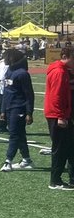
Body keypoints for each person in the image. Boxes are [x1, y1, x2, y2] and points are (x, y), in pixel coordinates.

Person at [0, 48, 34, 173]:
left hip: (18, 108)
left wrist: (29, 112)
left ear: (12, 58)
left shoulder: (22, 74)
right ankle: (26, 159)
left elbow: (29, 94)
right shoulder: (9, 71)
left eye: (6, 57)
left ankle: (8, 160)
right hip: (9, 108)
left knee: (14, 134)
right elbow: (6, 93)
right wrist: (3, 110)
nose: (4, 59)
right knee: (19, 135)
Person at [44, 46, 74, 189]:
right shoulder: (59, 72)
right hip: (57, 115)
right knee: (60, 149)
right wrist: (61, 116)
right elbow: (57, 96)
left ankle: (58, 179)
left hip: (58, 114)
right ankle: (55, 180)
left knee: (65, 147)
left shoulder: (61, 70)